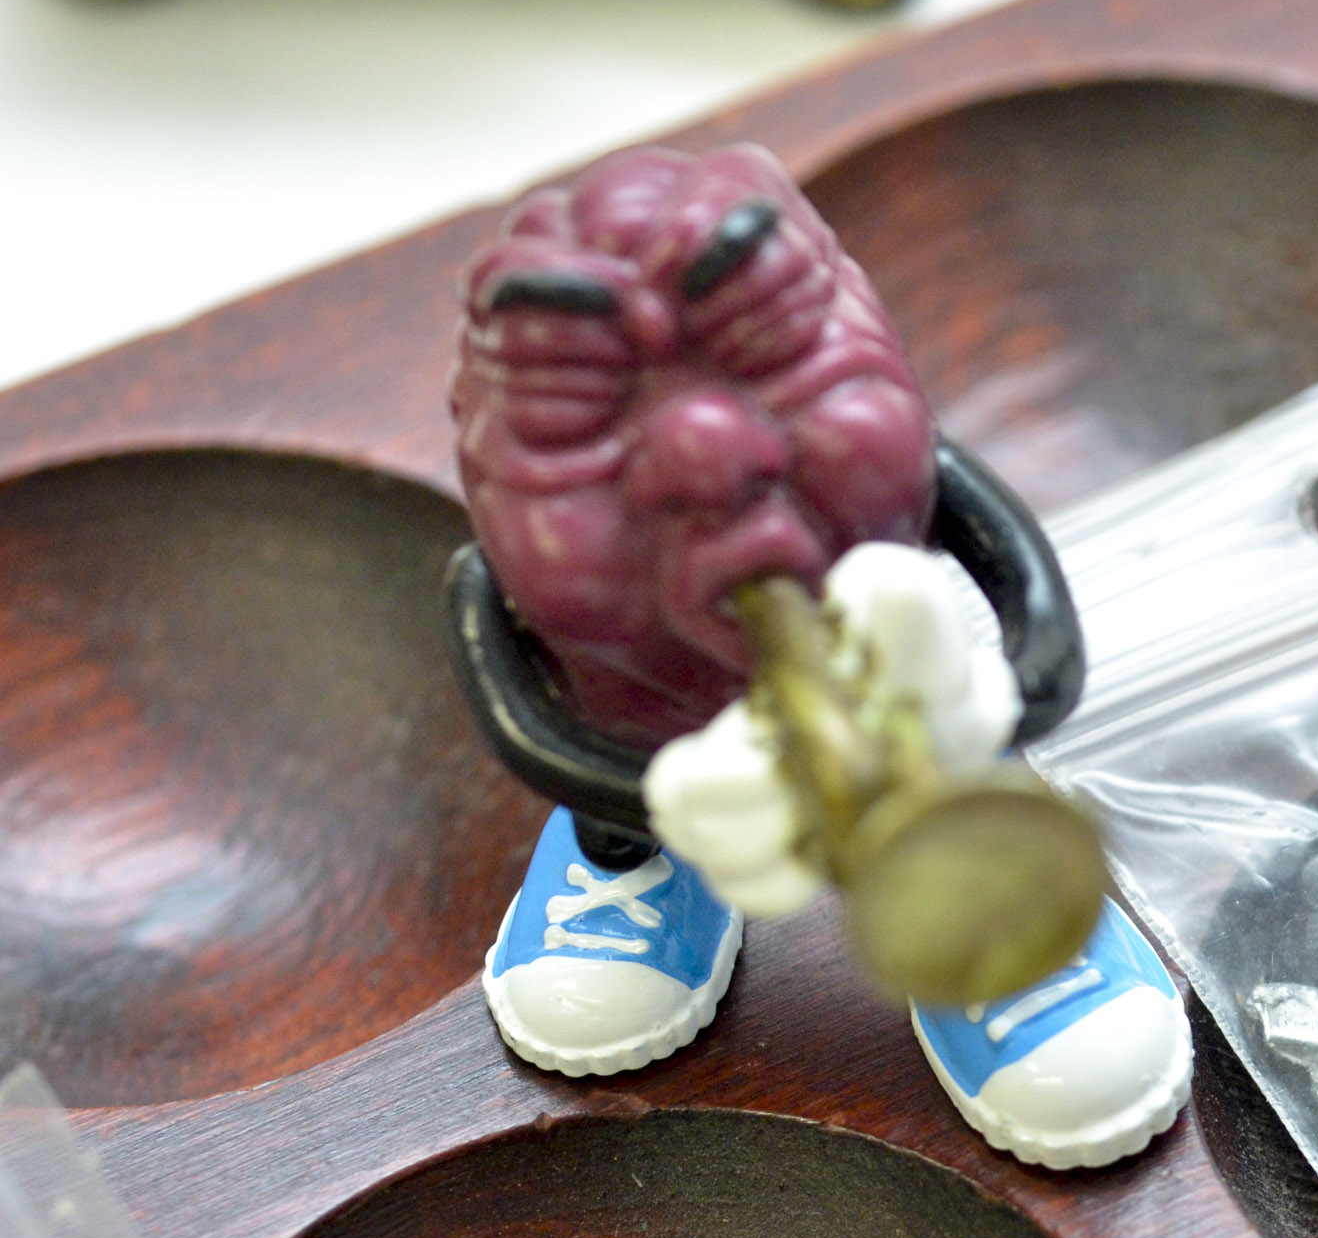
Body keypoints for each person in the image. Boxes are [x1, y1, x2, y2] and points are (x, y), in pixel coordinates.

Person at [445, 144, 1190, 1170]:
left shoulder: (913, 487)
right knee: (622, 807)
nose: (708, 455)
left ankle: (991, 905)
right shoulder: (505, 581)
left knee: (963, 771)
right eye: (580, 405)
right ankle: (630, 863)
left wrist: (987, 710)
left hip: (920, 716)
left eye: (766, 345)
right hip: (648, 744)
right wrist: (660, 792)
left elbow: (1041, 637)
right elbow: (525, 723)